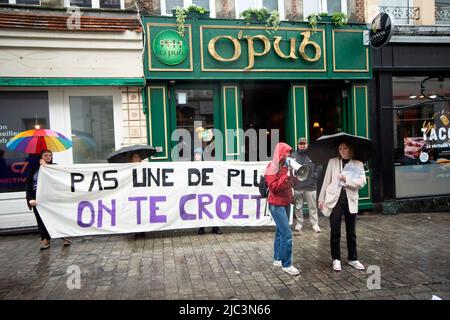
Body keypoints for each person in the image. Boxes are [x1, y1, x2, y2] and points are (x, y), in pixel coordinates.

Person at [318, 142, 366, 272]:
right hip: (335, 199)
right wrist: (321, 198)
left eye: (345, 148)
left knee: (351, 231)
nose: (342, 151)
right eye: (340, 148)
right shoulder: (333, 162)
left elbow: (362, 182)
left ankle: (353, 258)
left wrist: (346, 180)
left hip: (350, 199)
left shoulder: (358, 164)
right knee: (335, 231)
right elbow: (326, 180)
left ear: (350, 149)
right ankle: (336, 259)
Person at [265, 142, 300, 276]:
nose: (289, 155)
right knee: (287, 234)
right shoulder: (271, 167)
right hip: (276, 204)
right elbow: (273, 187)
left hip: (285, 202)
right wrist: (287, 176)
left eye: (290, 153)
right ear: (280, 154)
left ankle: (277, 259)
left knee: (280, 232)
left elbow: (289, 184)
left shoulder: (286, 167)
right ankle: (287, 264)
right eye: (287, 153)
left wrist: (294, 175)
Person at [26, 149, 72, 249]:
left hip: (52, 197)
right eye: (45, 155)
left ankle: (63, 236)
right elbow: (28, 184)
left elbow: (58, 179)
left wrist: (45, 166)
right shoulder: (34, 168)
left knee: (57, 217)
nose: (48, 157)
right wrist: (30, 199)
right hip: (37, 198)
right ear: (41, 157)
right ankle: (45, 240)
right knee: (41, 219)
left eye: (50, 155)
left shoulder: (55, 167)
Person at [291, 137, 323, 233]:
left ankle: (315, 224)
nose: (302, 145)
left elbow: (320, 165)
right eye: (300, 144)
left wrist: (315, 176)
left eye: (304, 144)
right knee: (298, 206)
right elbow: (289, 168)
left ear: (307, 145)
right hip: (298, 186)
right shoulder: (293, 156)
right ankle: (299, 223)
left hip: (310, 186)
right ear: (298, 145)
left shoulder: (313, 154)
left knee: (312, 206)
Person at [194, 148, 222, 235]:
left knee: (212, 207)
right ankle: (201, 227)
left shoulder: (207, 164)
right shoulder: (191, 165)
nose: (197, 156)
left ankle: (215, 226)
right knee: (200, 208)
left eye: (198, 154)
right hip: (199, 190)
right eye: (196, 154)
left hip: (209, 189)